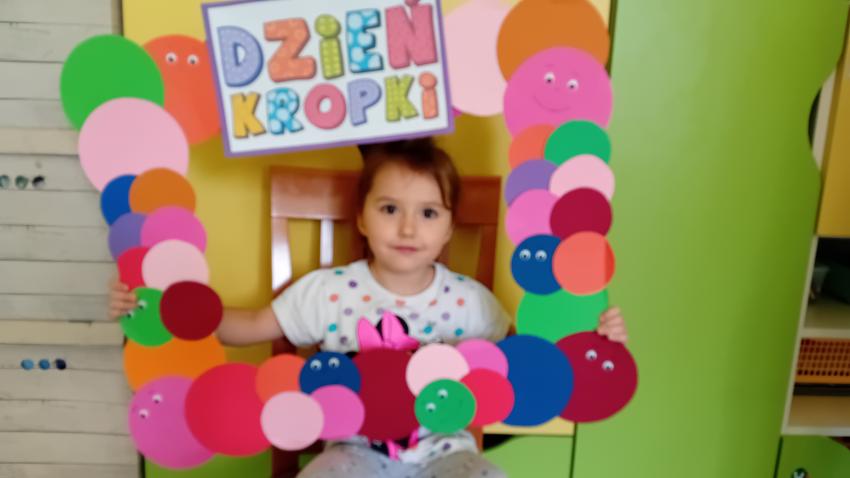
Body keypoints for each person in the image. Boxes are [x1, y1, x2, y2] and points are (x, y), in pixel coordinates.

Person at [109, 138, 628, 477]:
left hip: (447, 454)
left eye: (428, 213)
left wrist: (593, 344)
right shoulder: (329, 291)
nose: (408, 227)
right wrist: (161, 308)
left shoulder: (470, 301)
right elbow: (246, 326)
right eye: (389, 209)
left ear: (449, 227)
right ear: (361, 218)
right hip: (352, 452)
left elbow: (528, 367)